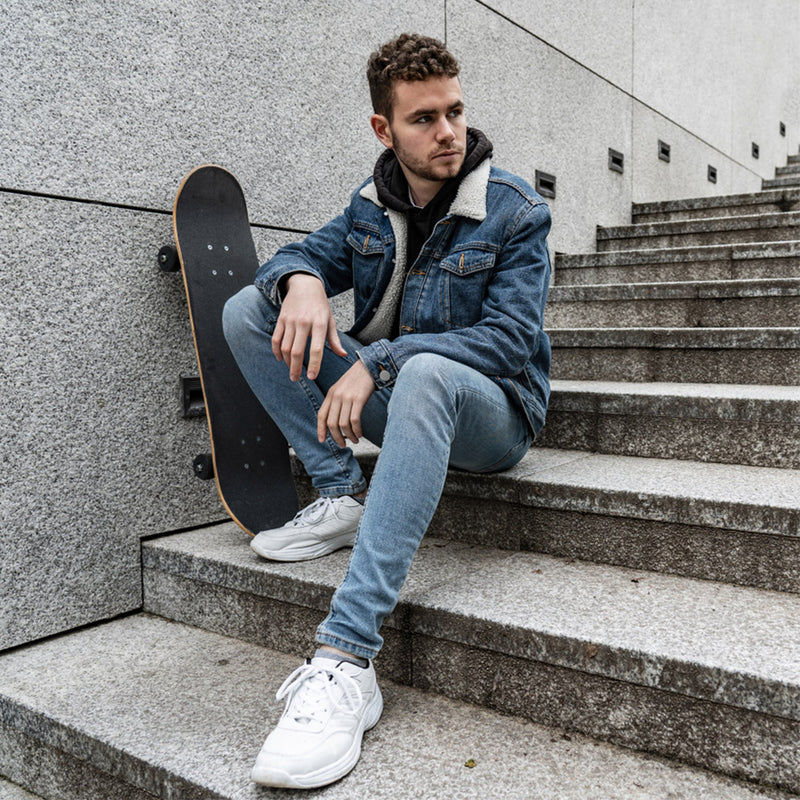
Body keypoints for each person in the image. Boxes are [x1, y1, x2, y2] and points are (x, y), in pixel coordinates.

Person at [222, 32, 552, 789]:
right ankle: (340, 492)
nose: (448, 133)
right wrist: (303, 279)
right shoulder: (370, 207)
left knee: (429, 367)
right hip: (398, 396)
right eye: (424, 119)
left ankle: (345, 656)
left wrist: (377, 360)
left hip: (489, 412)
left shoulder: (516, 210)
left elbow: (504, 343)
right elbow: (290, 262)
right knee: (249, 306)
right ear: (383, 129)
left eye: (456, 112)